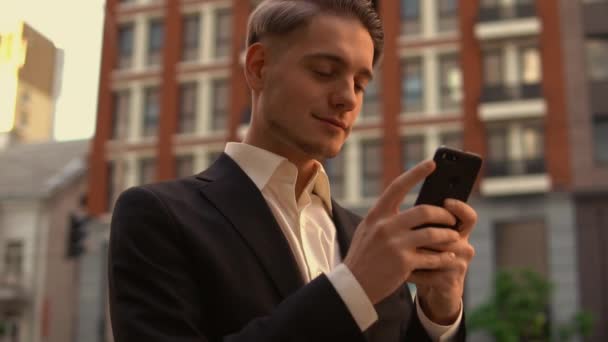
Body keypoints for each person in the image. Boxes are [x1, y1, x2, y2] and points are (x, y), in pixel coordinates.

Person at [108, 0, 477, 341]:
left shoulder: (368, 238)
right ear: (258, 67)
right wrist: (352, 289)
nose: (348, 97)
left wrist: (437, 314)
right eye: (324, 71)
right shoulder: (159, 216)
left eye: (360, 84)